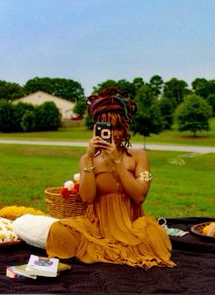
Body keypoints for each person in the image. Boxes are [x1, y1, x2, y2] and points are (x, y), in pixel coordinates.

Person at [46, 87, 176, 269]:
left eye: (118, 127)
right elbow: (87, 198)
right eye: (107, 128)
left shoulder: (139, 156)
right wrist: (90, 157)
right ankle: (106, 247)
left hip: (131, 226)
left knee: (154, 235)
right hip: (96, 227)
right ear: (97, 129)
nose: (113, 133)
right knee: (58, 230)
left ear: (125, 130)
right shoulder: (87, 159)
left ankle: (108, 250)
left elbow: (139, 197)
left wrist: (117, 161)